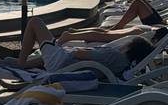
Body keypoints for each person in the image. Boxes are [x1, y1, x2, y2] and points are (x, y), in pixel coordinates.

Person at [12, 16, 155, 75]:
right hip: (67, 64)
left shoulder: (114, 55)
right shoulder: (123, 64)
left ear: (130, 48)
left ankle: (22, 62)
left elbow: (79, 54)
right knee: (53, 50)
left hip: (61, 63)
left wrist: (75, 50)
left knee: (35, 22)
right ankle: (27, 64)